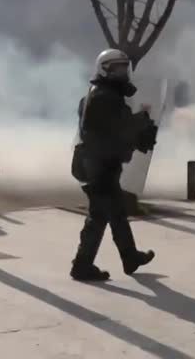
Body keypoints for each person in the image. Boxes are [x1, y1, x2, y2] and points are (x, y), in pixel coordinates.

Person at [69, 48, 156, 282]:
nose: (122, 72)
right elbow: (121, 127)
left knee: (113, 214)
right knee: (99, 218)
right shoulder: (104, 97)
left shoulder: (102, 93)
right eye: (117, 68)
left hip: (100, 164)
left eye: (124, 68)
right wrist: (143, 122)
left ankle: (129, 257)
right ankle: (82, 265)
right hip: (100, 166)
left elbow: (115, 127)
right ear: (104, 69)